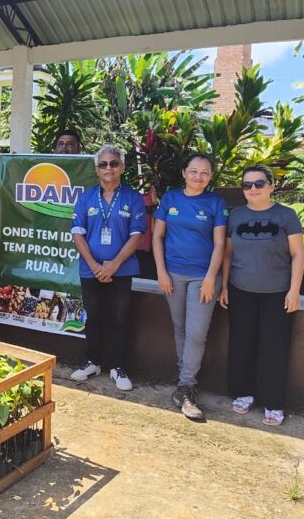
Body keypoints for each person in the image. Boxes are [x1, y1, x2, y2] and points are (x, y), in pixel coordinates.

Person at [219, 165, 304, 427]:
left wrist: (294, 290)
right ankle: (243, 393)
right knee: (242, 344)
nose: (253, 189)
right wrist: (224, 286)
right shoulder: (235, 216)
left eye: (258, 183)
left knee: (273, 348)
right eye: (247, 185)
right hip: (240, 289)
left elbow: (298, 255)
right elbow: (228, 254)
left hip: (277, 293)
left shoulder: (286, 216)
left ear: (271, 185)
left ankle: (273, 401)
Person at [152, 154, 227, 420]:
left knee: (196, 333)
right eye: (193, 171)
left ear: (210, 176)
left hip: (202, 277)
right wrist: (161, 271)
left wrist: (210, 278)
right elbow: (157, 236)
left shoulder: (215, 202)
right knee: (181, 328)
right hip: (172, 274)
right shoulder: (170, 199)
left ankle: (186, 386)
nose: (199, 176)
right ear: (184, 173)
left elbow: (220, 244)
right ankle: (184, 385)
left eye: (205, 172)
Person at [69, 145, 146, 390]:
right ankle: (91, 362)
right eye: (103, 164)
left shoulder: (133, 198)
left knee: (119, 319)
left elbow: (136, 236)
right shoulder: (86, 197)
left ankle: (117, 366)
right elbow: (77, 233)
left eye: (114, 163)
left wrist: (114, 265)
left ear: (122, 167)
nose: (108, 168)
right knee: (93, 317)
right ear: (96, 169)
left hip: (121, 270)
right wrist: (94, 265)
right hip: (90, 270)